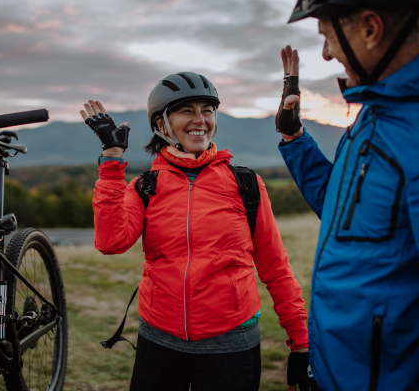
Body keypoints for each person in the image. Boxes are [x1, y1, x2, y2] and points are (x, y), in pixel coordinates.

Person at [81, 72, 313, 391]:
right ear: (162, 125)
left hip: (230, 344)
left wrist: (300, 341)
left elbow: (276, 269)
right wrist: (111, 160)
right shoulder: (145, 187)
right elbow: (110, 242)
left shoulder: (245, 185)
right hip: (158, 341)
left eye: (207, 110)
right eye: (187, 110)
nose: (200, 120)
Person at [275, 0, 419, 390]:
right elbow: (345, 214)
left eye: (328, 36)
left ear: (370, 29)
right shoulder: (378, 111)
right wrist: (294, 138)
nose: (324, 53)